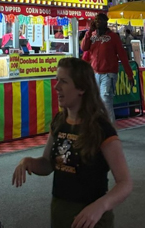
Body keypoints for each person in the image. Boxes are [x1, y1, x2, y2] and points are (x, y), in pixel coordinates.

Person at [12, 57, 132, 228]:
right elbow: (48, 164)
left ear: (81, 88)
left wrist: (100, 206)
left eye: (64, 82)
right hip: (60, 213)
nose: (56, 87)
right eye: (56, 81)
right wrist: (28, 162)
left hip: (92, 220)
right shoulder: (60, 121)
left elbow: (125, 183)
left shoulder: (101, 129)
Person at [81, 12, 134, 123]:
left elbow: (123, 56)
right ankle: (101, 128)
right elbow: (84, 48)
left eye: (100, 20)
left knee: (106, 101)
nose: (97, 22)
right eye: (96, 20)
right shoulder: (93, 35)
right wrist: (89, 31)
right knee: (96, 102)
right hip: (95, 73)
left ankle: (111, 129)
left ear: (106, 22)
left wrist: (130, 75)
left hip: (108, 74)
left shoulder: (113, 37)